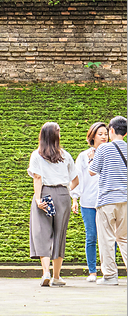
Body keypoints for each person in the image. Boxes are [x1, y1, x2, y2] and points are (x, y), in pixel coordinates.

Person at [28, 121, 77, 287]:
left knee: (42, 233)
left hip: (45, 194)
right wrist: (65, 192)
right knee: (59, 234)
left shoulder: (37, 155)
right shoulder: (65, 155)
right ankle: (56, 276)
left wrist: (37, 199)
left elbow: (38, 178)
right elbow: (75, 180)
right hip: (63, 195)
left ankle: (46, 273)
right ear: (55, 136)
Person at [89, 115, 128, 285]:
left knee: (107, 238)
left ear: (111, 130)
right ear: (125, 133)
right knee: (125, 238)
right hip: (125, 200)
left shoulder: (104, 149)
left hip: (107, 200)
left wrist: (92, 157)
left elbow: (92, 171)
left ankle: (110, 276)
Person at [70, 122, 107, 282]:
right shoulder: (83, 156)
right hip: (88, 202)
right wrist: (75, 198)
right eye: (100, 134)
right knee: (91, 236)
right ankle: (92, 271)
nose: (104, 137)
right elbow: (78, 178)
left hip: (107, 201)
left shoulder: (111, 153)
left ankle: (108, 271)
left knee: (108, 238)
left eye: (106, 133)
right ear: (92, 136)